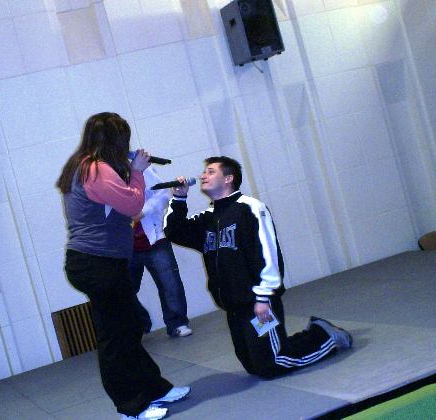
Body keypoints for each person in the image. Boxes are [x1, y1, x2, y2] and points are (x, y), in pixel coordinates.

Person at [163, 156, 352, 379]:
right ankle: (316, 331)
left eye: (211, 171)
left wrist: (263, 297)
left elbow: (268, 254)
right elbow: (174, 231)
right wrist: (179, 197)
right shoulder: (209, 218)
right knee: (253, 365)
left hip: (258, 304)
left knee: (273, 363)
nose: (203, 175)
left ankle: (326, 336)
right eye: (204, 171)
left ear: (228, 178)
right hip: (234, 307)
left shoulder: (250, 208)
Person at [56, 112, 189, 420]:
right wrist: (137, 171)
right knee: (115, 337)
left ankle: (153, 388)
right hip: (96, 263)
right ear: (116, 140)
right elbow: (132, 205)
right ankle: (130, 406)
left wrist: (132, 172)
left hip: (99, 261)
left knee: (127, 327)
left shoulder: (86, 165)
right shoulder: (94, 168)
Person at [129, 166, 192, 338]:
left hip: (155, 237)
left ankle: (177, 323)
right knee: (122, 289)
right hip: (123, 244)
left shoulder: (143, 167)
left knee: (170, 284)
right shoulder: (102, 173)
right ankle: (139, 323)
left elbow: (163, 195)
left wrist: (141, 213)